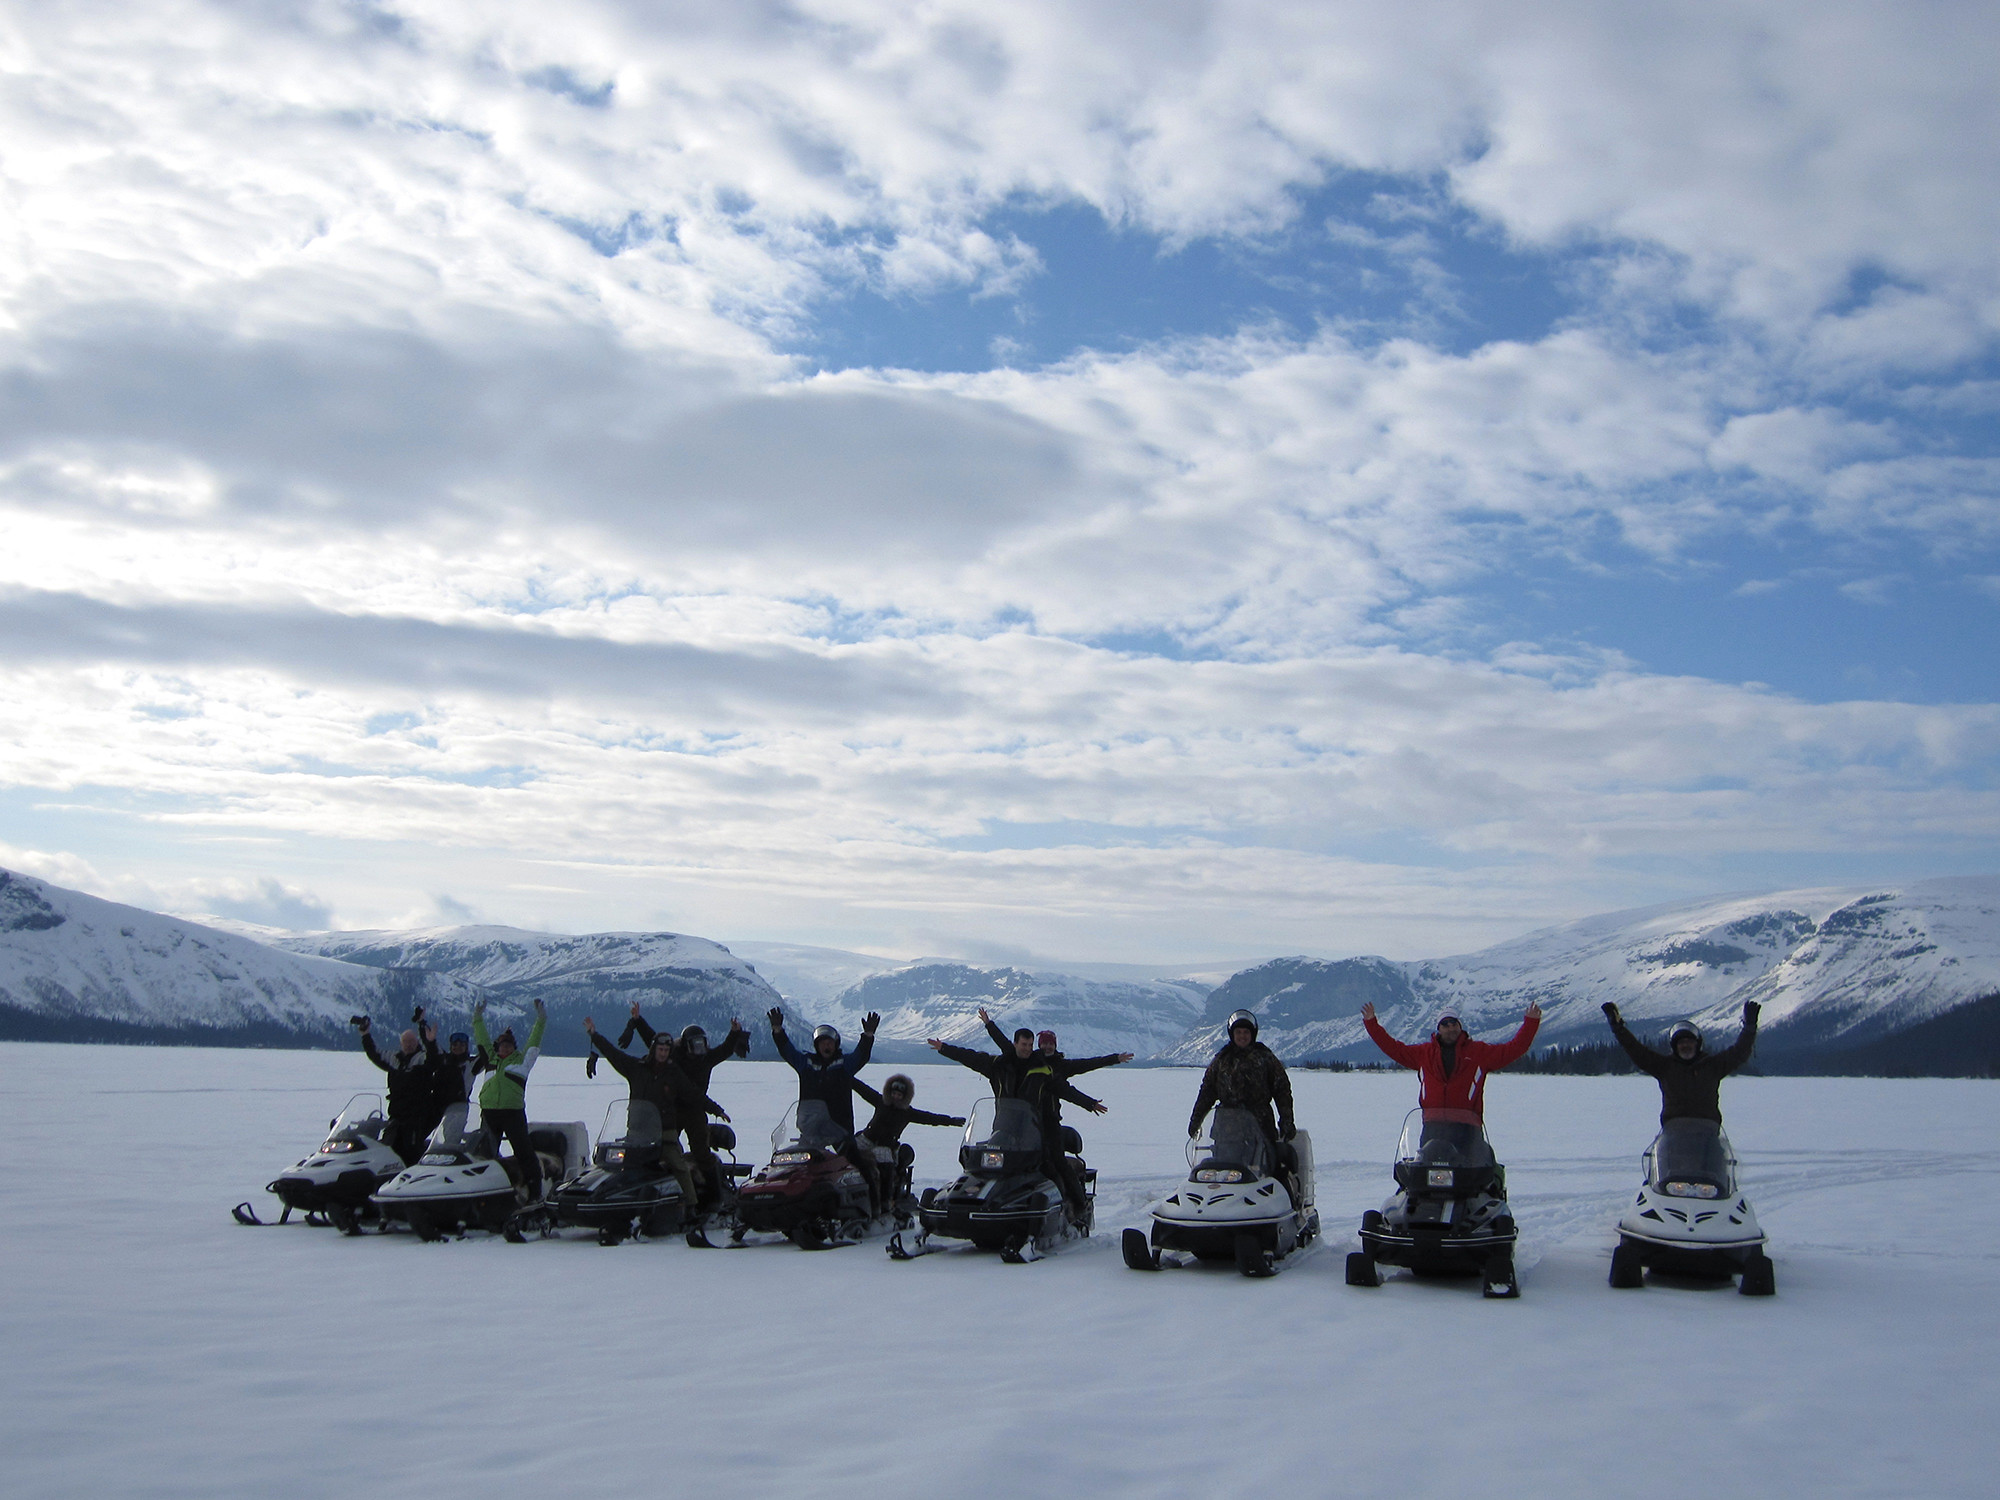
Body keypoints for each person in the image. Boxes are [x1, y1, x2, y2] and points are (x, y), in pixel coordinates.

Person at [927, 1023, 1106, 1217]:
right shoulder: (998, 1065)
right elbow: (970, 1057)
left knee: (1051, 1163)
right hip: (1003, 1127)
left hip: (1032, 1129)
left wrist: (1089, 1103)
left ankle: (1071, 1207)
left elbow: (1064, 1089)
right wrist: (944, 1049)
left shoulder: (1041, 1069)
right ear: (1015, 1044)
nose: (1028, 1049)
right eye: (1024, 1044)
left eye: (1030, 1045)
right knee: (984, 1163)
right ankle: (976, 1203)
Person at [1361, 1000, 1541, 1160]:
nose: (1450, 1028)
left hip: (1467, 1128)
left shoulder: (1479, 1053)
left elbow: (1514, 1049)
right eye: (1445, 1024)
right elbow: (1392, 1048)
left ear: (1460, 1026)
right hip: (1432, 1127)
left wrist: (1531, 1023)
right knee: (1423, 1179)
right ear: (1438, 1029)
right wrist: (1371, 1024)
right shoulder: (1424, 1054)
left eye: (1453, 1023)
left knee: (1470, 1180)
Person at [1603, 1000, 1760, 1183]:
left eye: (1689, 1042)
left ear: (1697, 1044)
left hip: (1708, 1138)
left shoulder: (1712, 1066)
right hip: (1673, 1139)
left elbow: (1739, 1052)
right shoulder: (1664, 1067)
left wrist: (1749, 1028)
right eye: (1681, 1043)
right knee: (1665, 1184)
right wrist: (1617, 1027)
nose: (1685, 1046)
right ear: (1675, 1046)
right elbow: (1635, 1050)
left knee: (1718, 1182)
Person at [582, 1016, 719, 1212]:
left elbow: (693, 1094)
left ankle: (692, 1206)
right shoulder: (636, 1069)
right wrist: (594, 1035)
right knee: (614, 1165)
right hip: (637, 1134)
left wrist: (715, 1109)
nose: (663, 1053)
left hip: (665, 1135)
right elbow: (613, 1053)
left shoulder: (674, 1073)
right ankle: (607, 1200)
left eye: (666, 1050)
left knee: (679, 1166)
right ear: (653, 1049)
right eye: (660, 1049)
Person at [618, 1005, 750, 1202]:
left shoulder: (707, 1058)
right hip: (672, 1109)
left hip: (696, 1109)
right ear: (686, 1045)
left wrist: (735, 1034)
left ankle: (714, 1197)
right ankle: (660, 1194)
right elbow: (652, 1039)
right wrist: (638, 1021)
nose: (699, 1049)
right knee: (660, 1149)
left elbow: (724, 1050)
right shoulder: (674, 1054)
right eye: (695, 1045)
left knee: (702, 1153)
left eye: (701, 1045)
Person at [848, 1074, 965, 1219]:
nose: (896, 1097)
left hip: (886, 1147)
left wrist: (951, 1121)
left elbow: (929, 1118)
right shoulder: (880, 1101)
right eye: (894, 1094)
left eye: (899, 1095)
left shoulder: (907, 1113)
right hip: (866, 1139)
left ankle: (883, 1202)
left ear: (905, 1096)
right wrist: (847, 1077)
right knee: (846, 1155)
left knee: (884, 1168)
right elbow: (862, 1089)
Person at [471, 998, 549, 1200]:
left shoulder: (523, 1061)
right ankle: (483, 1194)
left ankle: (535, 1193)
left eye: (508, 1046)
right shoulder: (490, 1059)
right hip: (489, 1112)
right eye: (501, 1046)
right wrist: (477, 1018)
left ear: (514, 1048)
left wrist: (541, 1019)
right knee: (485, 1156)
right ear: (497, 1048)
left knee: (524, 1153)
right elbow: (482, 1038)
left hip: (512, 1113)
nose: (504, 1048)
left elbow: (534, 1040)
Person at [1188, 1008, 1296, 1148]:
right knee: (1221, 1168)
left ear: (1253, 1034)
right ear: (1232, 1034)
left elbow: (1282, 1090)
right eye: (1238, 1032)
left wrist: (1287, 1121)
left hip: (1260, 1128)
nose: (1242, 1036)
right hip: (1227, 1130)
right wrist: (1196, 1121)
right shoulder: (1222, 1059)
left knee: (1266, 1167)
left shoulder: (1265, 1057)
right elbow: (1207, 1092)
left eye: (1246, 1032)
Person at [767, 1008, 878, 1139]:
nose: (826, 1046)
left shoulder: (844, 1065)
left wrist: (868, 1036)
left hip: (840, 1131)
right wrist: (778, 1031)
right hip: (810, 1130)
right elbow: (788, 1052)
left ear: (835, 1045)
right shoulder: (806, 1064)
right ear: (817, 1046)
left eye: (830, 1042)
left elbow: (861, 1056)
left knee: (851, 1157)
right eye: (823, 1043)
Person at [356, 1011, 441, 1165]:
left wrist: (431, 1042)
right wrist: (365, 1035)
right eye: (405, 1042)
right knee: (388, 1151)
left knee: (411, 1155)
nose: (408, 1045)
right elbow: (375, 1054)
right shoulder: (394, 1059)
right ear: (401, 1043)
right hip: (396, 1117)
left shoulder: (422, 1058)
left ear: (417, 1043)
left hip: (417, 1118)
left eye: (411, 1041)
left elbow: (434, 1060)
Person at [430, 1022, 487, 1143]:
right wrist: (421, 1023)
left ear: (466, 1047)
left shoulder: (471, 1064)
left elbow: (487, 1054)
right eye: (455, 1044)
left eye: (462, 1045)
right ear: (450, 1046)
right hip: (436, 1107)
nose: (458, 1047)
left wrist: (500, 1042)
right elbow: (430, 1044)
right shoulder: (443, 1060)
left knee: (451, 1140)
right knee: (431, 1141)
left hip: (458, 1109)